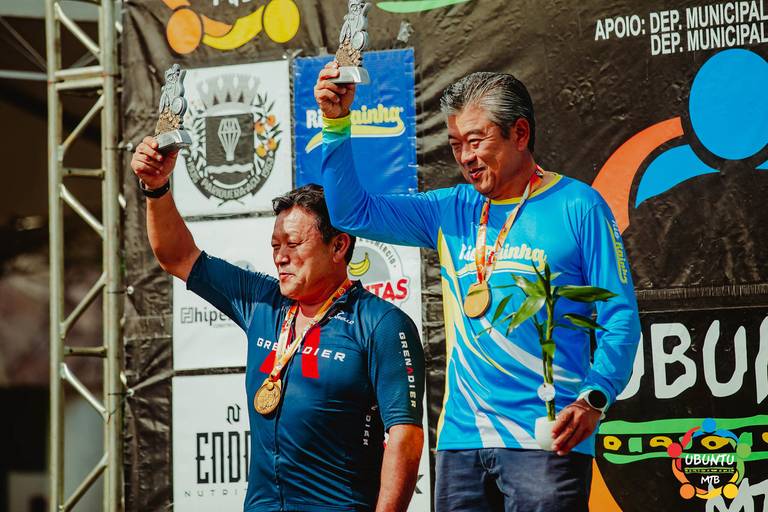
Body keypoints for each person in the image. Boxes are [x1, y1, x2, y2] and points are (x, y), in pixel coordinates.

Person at [314, 65, 641, 511]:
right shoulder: (450, 209)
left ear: (519, 133)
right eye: (455, 144)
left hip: (546, 437)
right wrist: (335, 123)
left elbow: (619, 316)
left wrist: (594, 397)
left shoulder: (578, 206)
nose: (465, 157)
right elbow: (351, 213)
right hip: (461, 442)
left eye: (475, 140)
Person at [130, 137, 425, 512]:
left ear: (339, 246)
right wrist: (156, 188)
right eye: (275, 246)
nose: (280, 257)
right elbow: (177, 256)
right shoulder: (262, 301)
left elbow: (405, 437)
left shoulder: (381, 323)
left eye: (293, 244)